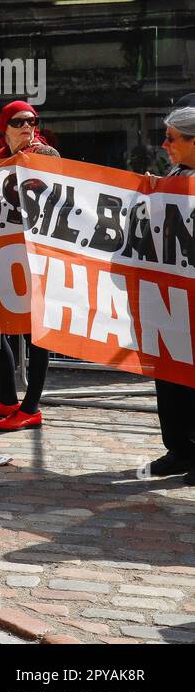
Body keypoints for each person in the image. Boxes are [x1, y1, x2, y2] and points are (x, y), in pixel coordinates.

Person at [0, 100, 59, 432]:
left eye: (32, 121)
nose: (27, 127)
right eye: (19, 122)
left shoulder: (46, 156)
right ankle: (6, 398)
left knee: (36, 333)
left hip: (37, 257)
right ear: (4, 127)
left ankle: (31, 408)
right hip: (3, 255)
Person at [147, 104, 195, 482]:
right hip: (172, 300)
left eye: (172, 138)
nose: (165, 145)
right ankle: (179, 448)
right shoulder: (175, 175)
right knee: (170, 376)